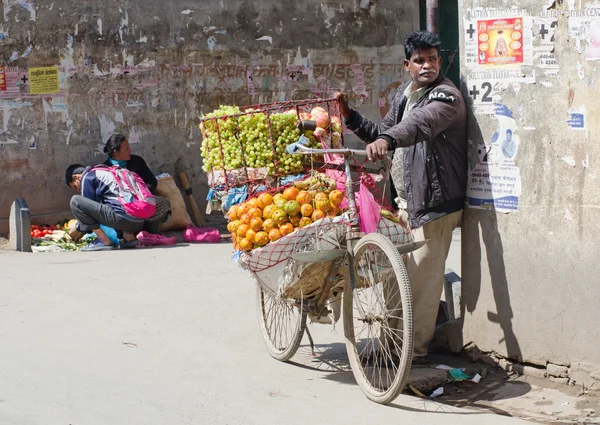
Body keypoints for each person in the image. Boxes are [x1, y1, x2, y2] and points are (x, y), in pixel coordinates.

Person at [336, 31, 467, 364]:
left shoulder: (446, 97)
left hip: (436, 206)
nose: (427, 65)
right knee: (397, 280)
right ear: (407, 65)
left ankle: (413, 352)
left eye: (433, 59)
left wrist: (390, 140)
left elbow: (419, 125)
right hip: (408, 205)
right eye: (420, 60)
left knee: (422, 285)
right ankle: (391, 347)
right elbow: (384, 132)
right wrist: (350, 115)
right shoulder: (408, 94)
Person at [65, 164, 144, 251]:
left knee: (75, 201)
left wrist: (77, 228)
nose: (78, 190)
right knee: (111, 203)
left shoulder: (88, 177)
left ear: (76, 177)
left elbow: (88, 212)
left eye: (75, 186)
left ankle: (104, 241)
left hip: (123, 219)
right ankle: (129, 238)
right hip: (139, 222)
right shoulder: (106, 171)